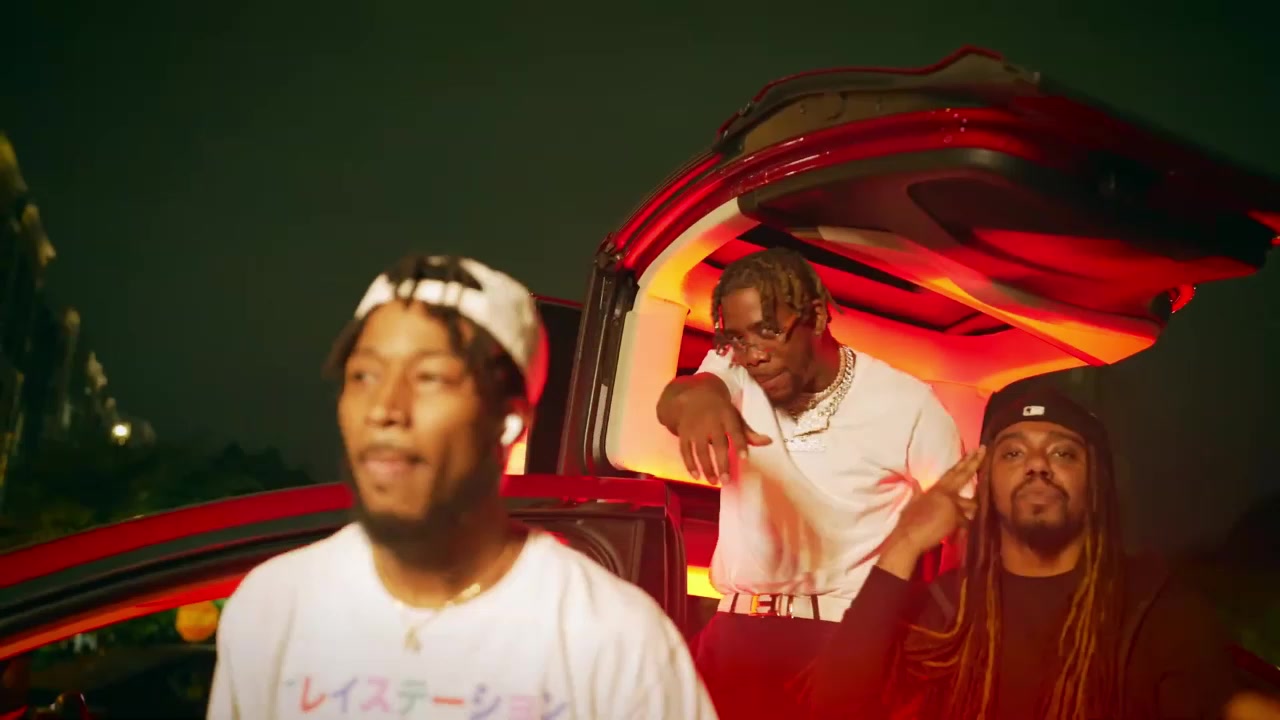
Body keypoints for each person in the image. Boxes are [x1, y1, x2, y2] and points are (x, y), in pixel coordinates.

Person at [209, 255, 716, 720]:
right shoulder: (276, 606)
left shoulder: (614, 639)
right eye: (363, 375)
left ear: (509, 422)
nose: (384, 409)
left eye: (430, 378)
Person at [808, 386, 1280, 720]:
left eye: (1063, 453)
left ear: (1096, 485)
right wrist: (905, 541)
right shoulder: (947, 611)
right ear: (986, 486)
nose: (1037, 464)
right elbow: (834, 706)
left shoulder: (1153, 609)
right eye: (1013, 453)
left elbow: (1230, 706)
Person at [655, 247, 964, 716]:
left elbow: (963, 526)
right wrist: (698, 400)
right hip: (735, 630)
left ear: (817, 317)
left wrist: (930, 634)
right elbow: (680, 397)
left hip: (843, 637)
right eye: (738, 339)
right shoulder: (735, 367)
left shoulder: (907, 404)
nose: (754, 355)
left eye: (769, 331)